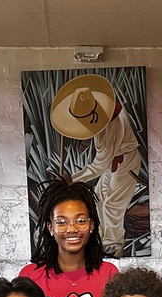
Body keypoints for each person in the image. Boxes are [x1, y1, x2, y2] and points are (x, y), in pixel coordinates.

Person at [49, 74, 142, 258]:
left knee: (112, 207)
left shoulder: (108, 128)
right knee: (98, 198)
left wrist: (71, 179)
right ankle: (102, 241)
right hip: (115, 162)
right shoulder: (102, 110)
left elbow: (99, 165)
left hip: (125, 163)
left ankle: (113, 250)